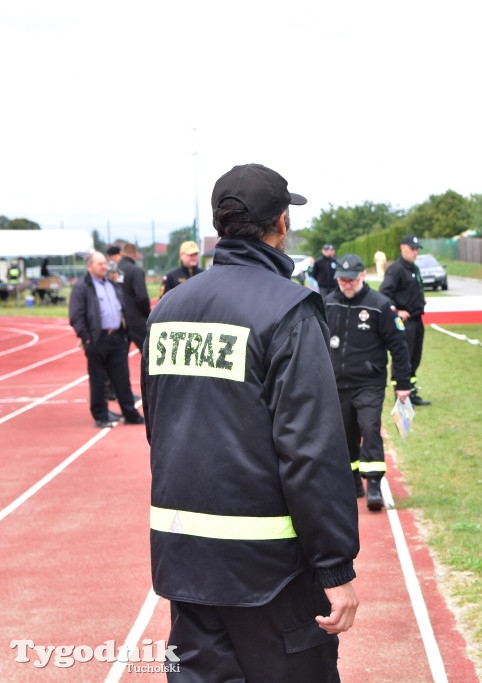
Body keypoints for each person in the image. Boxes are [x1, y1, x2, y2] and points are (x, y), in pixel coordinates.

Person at [144, 163, 359, 680]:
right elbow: (311, 450)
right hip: (271, 574)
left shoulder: (167, 310)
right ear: (281, 223)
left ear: (221, 227)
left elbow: (159, 427)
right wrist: (334, 566)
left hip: (184, 562)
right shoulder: (289, 311)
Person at [324, 254, 412, 512]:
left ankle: (374, 483)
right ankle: (352, 481)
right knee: (344, 434)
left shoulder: (381, 306)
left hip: (368, 383)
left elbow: (398, 346)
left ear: (362, 276)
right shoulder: (327, 304)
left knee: (369, 427)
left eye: (351, 279)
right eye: (342, 279)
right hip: (337, 384)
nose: (346, 284)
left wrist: (402, 383)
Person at [68, 251, 145, 428]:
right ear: (89, 267)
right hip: (97, 340)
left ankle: (130, 414)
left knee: (122, 379)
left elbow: (121, 310)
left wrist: (124, 334)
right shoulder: (82, 287)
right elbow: (76, 316)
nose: (105, 266)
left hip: (117, 338)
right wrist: (87, 338)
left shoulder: (112, 285)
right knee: (98, 380)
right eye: (100, 264)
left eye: (105, 263)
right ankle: (101, 415)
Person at [380, 235, 430, 406]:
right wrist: (397, 311)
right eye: (412, 249)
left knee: (415, 358)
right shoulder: (396, 269)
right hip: (405, 322)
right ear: (403, 248)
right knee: (404, 358)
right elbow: (384, 294)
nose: (415, 252)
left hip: (417, 319)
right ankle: (399, 395)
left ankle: (411, 391)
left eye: (417, 249)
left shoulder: (414, 268)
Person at [115, 243, 151, 355]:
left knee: (118, 358)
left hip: (117, 319)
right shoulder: (135, 271)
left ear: (121, 253)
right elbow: (142, 297)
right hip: (135, 318)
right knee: (149, 353)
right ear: (136, 254)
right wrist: (147, 314)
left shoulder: (113, 270)